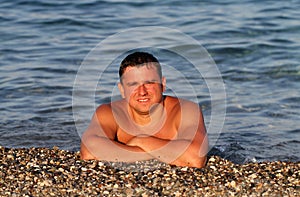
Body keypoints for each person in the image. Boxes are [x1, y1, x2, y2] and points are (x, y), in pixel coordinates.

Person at [80, 51, 208, 168]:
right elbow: (89, 151)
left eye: (149, 83)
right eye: (133, 84)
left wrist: (141, 140)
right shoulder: (110, 112)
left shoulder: (186, 110)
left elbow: (196, 157)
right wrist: (161, 153)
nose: (142, 92)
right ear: (122, 90)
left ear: (162, 84)